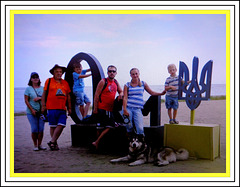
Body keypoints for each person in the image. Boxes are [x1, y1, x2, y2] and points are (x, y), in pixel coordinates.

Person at [123, 68, 166, 135]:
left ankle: (141, 142)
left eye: (136, 73)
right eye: (133, 74)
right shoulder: (127, 85)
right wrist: (125, 109)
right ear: (130, 75)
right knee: (129, 126)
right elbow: (125, 98)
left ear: (139, 74)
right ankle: (131, 140)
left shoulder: (143, 83)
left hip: (138, 109)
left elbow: (151, 93)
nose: (135, 75)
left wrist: (161, 93)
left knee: (140, 128)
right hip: (129, 108)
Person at [92, 65, 123, 149]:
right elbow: (96, 95)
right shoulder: (103, 81)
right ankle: (97, 142)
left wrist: (120, 95)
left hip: (110, 109)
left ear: (116, 73)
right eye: (110, 71)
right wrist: (95, 108)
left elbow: (121, 91)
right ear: (107, 72)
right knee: (103, 127)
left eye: (113, 71)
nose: (111, 73)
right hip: (102, 108)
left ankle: (97, 143)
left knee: (107, 126)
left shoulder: (115, 82)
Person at [41, 64, 72, 151]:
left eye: (60, 72)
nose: (59, 73)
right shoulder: (49, 81)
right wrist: (43, 105)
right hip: (51, 108)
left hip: (62, 108)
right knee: (53, 126)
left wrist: (70, 108)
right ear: (53, 73)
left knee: (62, 124)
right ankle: (54, 144)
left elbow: (68, 96)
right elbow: (44, 94)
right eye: (57, 72)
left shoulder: (65, 83)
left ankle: (52, 141)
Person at [24, 72, 47, 151]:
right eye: (33, 77)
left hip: (41, 112)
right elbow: (26, 100)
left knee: (41, 129)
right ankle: (35, 145)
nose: (35, 79)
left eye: (37, 77)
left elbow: (46, 98)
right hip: (31, 112)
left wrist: (40, 98)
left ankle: (40, 144)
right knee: (34, 129)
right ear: (31, 79)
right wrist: (32, 110)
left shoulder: (43, 88)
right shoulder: (28, 89)